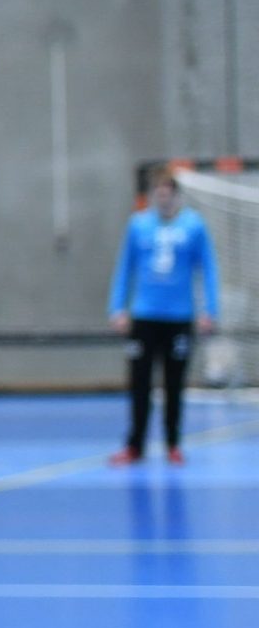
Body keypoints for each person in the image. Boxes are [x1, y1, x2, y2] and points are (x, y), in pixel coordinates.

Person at [108, 165, 220, 466]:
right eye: (159, 195)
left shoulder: (194, 226)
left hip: (179, 318)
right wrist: (117, 307)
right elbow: (125, 268)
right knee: (140, 383)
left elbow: (208, 268)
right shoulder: (138, 225)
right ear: (153, 196)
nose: (164, 200)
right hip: (145, 316)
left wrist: (210, 310)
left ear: (177, 197)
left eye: (168, 195)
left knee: (174, 384)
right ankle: (135, 445)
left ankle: (173, 443)